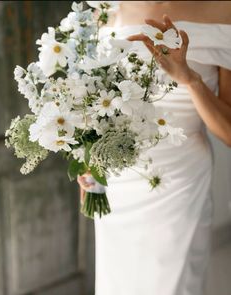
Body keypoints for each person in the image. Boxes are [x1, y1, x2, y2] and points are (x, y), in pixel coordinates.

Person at [78, 1, 231, 294]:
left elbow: (229, 133)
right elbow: (93, 94)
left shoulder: (224, 9)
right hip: (117, 180)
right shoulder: (107, 5)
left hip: (179, 180)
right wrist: (88, 160)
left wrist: (190, 80)